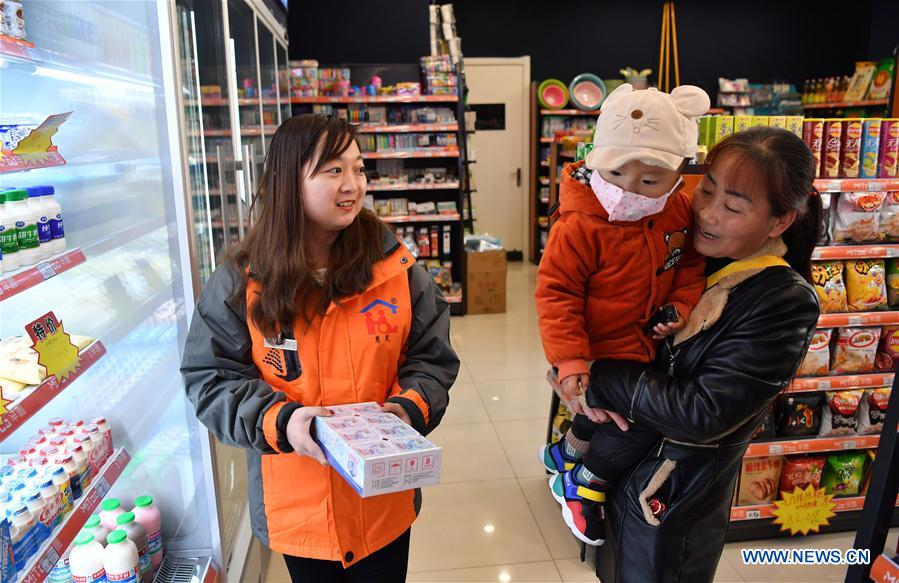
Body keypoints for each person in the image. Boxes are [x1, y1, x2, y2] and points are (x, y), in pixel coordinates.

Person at [181, 114, 459, 583]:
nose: (352, 185)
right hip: (298, 506)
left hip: (382, 499)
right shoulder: (240, 281)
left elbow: (432, 357)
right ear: (289, 181)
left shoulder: (396, 269)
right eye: (333, 170)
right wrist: (284, 422)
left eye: (359, 168)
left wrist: (409, 408)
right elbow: (210, 379)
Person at [582, 126, 822, 583]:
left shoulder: (782, 299)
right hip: (623, 479)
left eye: (732, 206)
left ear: (780, 222)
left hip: (672, 505)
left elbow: (704, 411)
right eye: (706, 190)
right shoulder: (686, 256)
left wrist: (598, 375)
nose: (708, 214)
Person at [535, 83, 709, 545]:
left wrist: (683, 305)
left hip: (643, 345)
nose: (628, 190)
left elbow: (690, 264)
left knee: (603, 414)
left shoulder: (677, 213)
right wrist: (571, 361)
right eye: (614, 173)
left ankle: (564, 452)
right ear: (595, 158)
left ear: (678, 176)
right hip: (592, 352)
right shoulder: (579, 225)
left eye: (650, 181)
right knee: (638, 425)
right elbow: (557, 293)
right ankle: (581, 485)